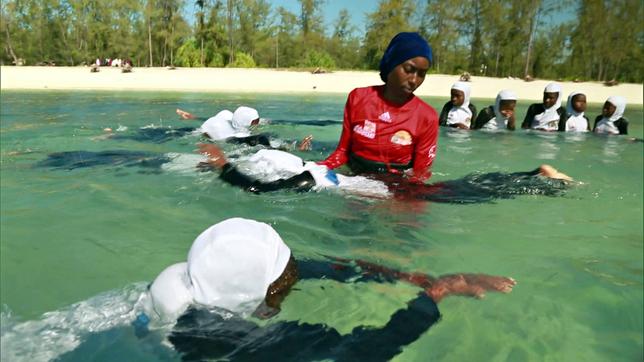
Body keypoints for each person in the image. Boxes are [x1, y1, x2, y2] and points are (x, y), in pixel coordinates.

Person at [138, 217, 516, 361]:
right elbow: (360, 351)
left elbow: (298, 269)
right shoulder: (234, 341)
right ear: (251, 290)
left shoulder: (188, 280)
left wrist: (396, 275)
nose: (285, 294)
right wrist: (436, 294)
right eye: (280, 288)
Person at [198, 144, 574, 203]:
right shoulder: (310, 169)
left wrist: (223, 167)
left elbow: (258, 190)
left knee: (459, 196)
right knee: (459, 188)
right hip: (380, 185)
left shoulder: (305, 180)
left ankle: (538, 180)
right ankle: (532, 174)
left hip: (387, 193)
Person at [319, 32, 438, 183]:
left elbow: (420, 174)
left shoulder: (427, 116)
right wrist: (320, 168)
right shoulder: (358, 98)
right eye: (409, 70)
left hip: (394, 185)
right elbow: (342, 152)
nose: (414, 80)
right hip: (353, 176)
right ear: (392, 63)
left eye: (422, 74)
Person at [177, 107, 313, 150]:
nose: (257, 125)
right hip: (225, 144)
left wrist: (193, 117)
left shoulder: (229, 120)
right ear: (246, 122)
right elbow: (265, 147)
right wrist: (297, 149)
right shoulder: (241, 138)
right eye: (255, 122)